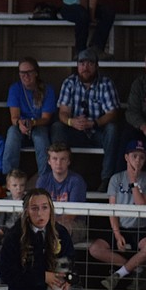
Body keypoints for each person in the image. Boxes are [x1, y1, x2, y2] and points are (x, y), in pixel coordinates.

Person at [89, 140, 146, 290]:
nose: (138, 160)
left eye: (142, 157)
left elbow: (142, 205)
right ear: (126, 157)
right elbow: (112, 209)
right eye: (134, 156)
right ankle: (133, 268)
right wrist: (117, 233)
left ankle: (119, 274)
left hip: (141, 226)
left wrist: (133, 182)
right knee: (95, 249)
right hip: (120, 226)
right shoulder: (116, 178)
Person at [51, 48, 123, 186]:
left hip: (98, 131)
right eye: (82, 63)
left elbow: (113, 113)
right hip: (76, 131)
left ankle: (107, 180)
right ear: (77, 66)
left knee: (113, 129)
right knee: (57, 127)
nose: (85, 67)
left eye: (90, 63)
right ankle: (60, 177)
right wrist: (72, 122)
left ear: (96, 66)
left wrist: (94, 123)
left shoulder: (106, 83)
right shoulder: (69, 83)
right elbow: (63, 113)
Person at [3, 58, 57, 177]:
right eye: (22, 72)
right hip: (22, 127)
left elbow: (46, 118)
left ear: (36, 73)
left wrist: (32, 122)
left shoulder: (48, 89)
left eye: (29, 72)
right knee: (12, 132)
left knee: (40, 136)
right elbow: (14, 117)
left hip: (39, 125)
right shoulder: (15, 88)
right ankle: (8, 178)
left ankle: (46, 178)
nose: (25, 75)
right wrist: (20, 123)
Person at [37, 142, 89, 239]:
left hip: (74, 223)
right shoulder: (43, 180)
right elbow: (38, 208)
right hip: (48, 222)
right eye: (54, 159)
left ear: (69, 161)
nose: (58, 163)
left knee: (61, 228)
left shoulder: (76, 181)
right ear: (49, 161)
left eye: (63, 159)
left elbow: (72, 214)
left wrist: (51, 223)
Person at [0, 169, 29, 241]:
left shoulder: (29, 201)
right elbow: (0, 219)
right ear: (8, 186)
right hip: (7, 230)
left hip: (23, 231)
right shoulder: (5, 201)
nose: (18, 189)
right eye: (15, 185)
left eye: (22, 185)